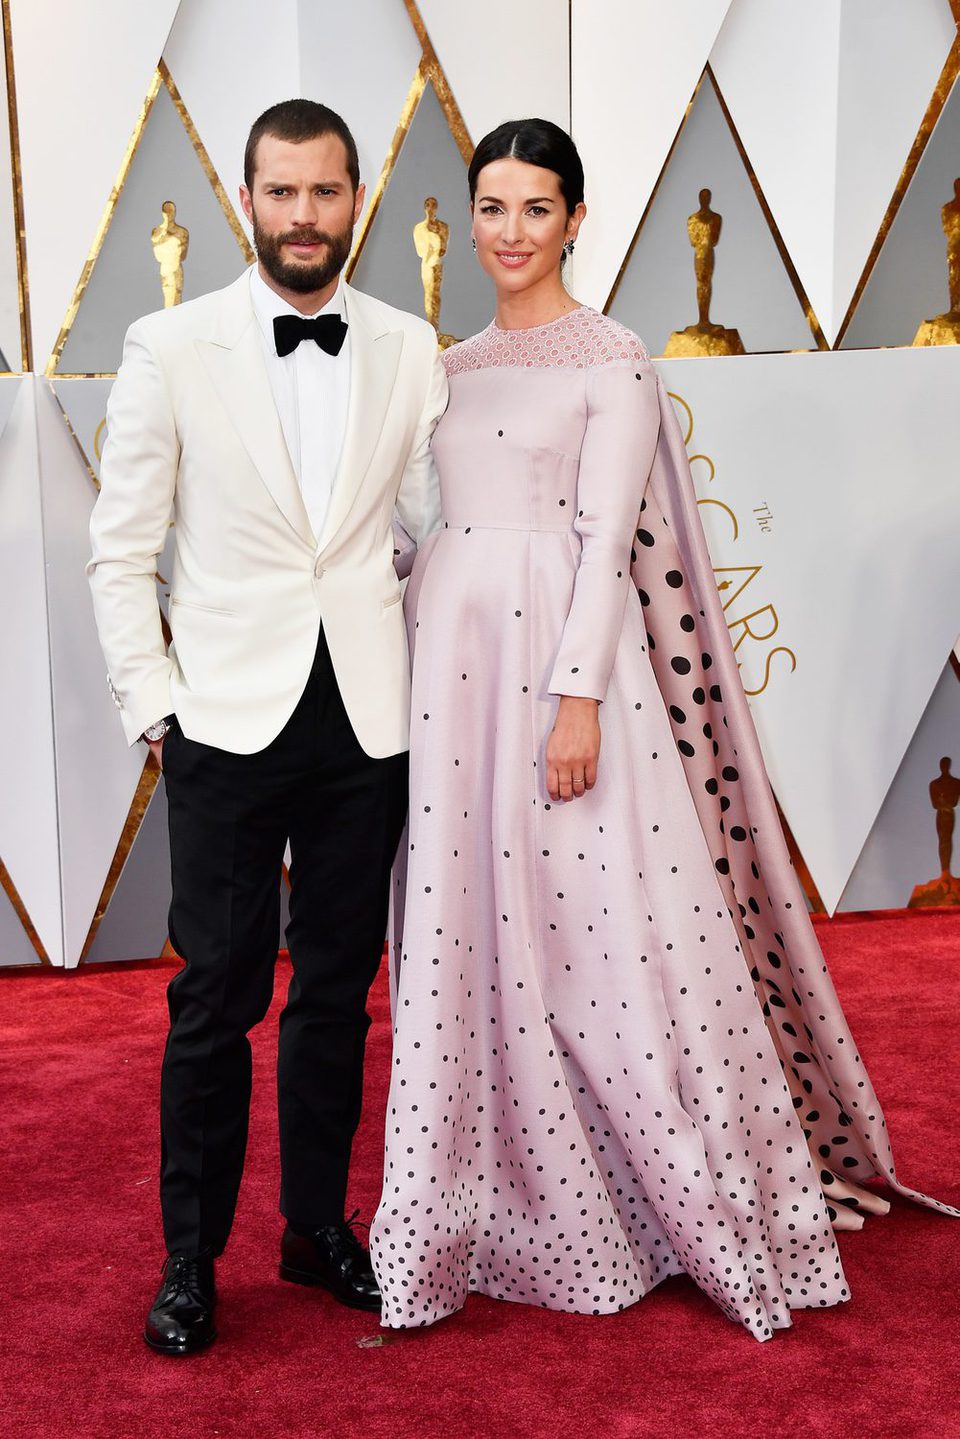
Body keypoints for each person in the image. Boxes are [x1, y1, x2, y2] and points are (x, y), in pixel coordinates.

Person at [369, 118, 957, 1341]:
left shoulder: (616, 358)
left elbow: (602, 542)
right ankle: (494, 1201)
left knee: (600, 939)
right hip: (452, 668)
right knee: (473, 928)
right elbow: (422, 522)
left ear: (576, 219)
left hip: (560, 669)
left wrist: (577, 690)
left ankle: (669, 1195)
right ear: (465, 215)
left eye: (537, 208)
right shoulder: (448, 363)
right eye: (491, 206)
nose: (511, 231)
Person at [88, 99, 446, 1354]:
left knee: (339, 994)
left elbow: (423, 521)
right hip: (224, 724)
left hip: (365, 717)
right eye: (281, 192)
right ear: (249, 198)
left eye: (325, 192)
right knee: (215, 996)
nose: (304, 215)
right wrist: (158, 708)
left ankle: (313, 1228)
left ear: (360, 199)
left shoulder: (409, 344)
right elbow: (119, 551)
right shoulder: (171, 344)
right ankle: (192, 1259)